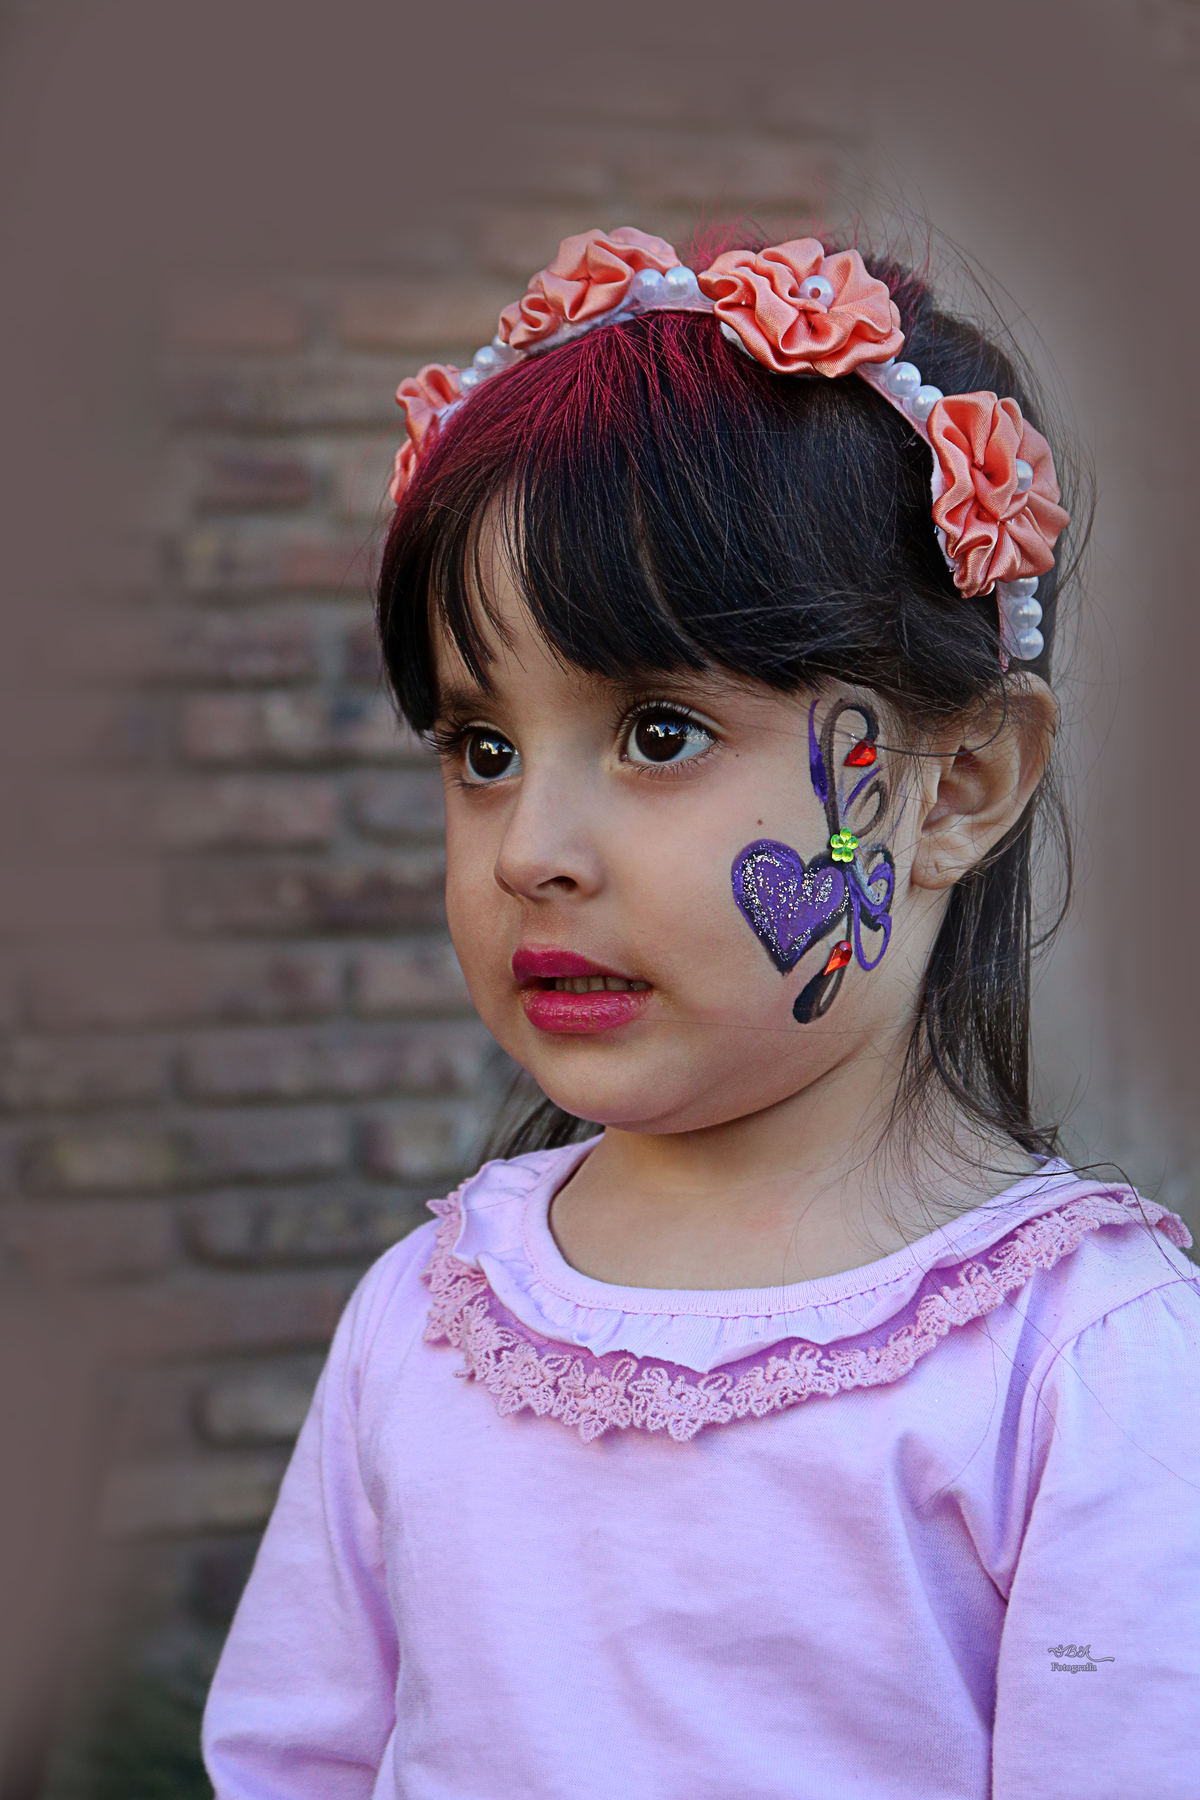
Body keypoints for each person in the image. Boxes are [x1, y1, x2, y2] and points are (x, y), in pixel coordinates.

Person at [202, 227, 1200, 1798]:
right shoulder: (430, 1316)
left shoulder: (1082, 1367)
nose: (531, 851)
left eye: (659, 732)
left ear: (963, 782)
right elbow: (293, 1758)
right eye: (480, 749)